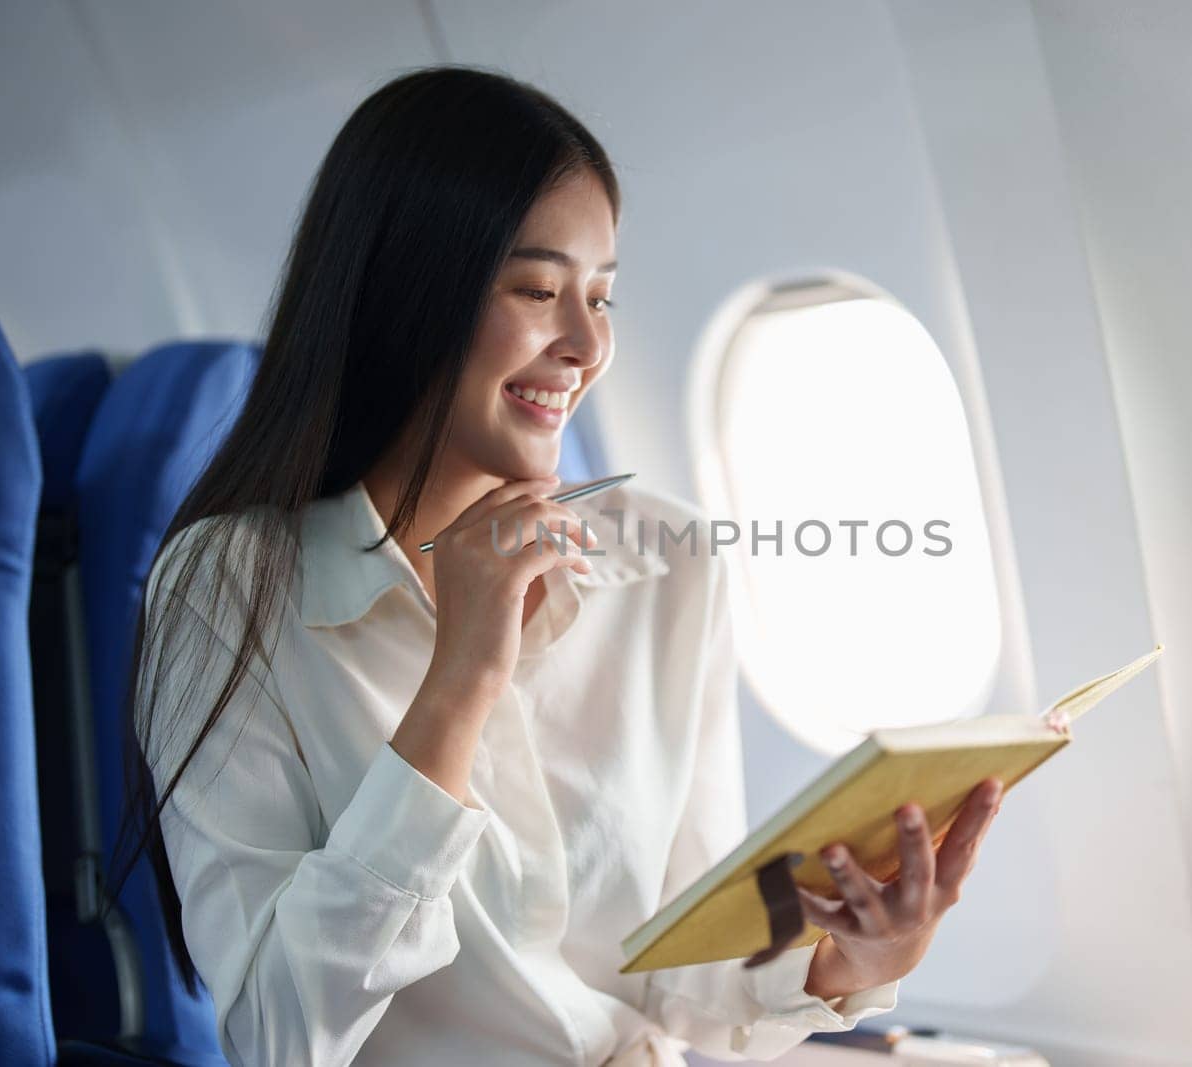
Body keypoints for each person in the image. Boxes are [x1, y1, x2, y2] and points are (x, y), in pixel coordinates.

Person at [110, 65, 1007, 1067]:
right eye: (538, 290)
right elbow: (280, 1034)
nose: (586, 343)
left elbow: (676, 966)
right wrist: (460, 679)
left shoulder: (667, 561)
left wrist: (851, 954)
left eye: (602, 296)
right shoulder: (231, 585)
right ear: (408, 292)